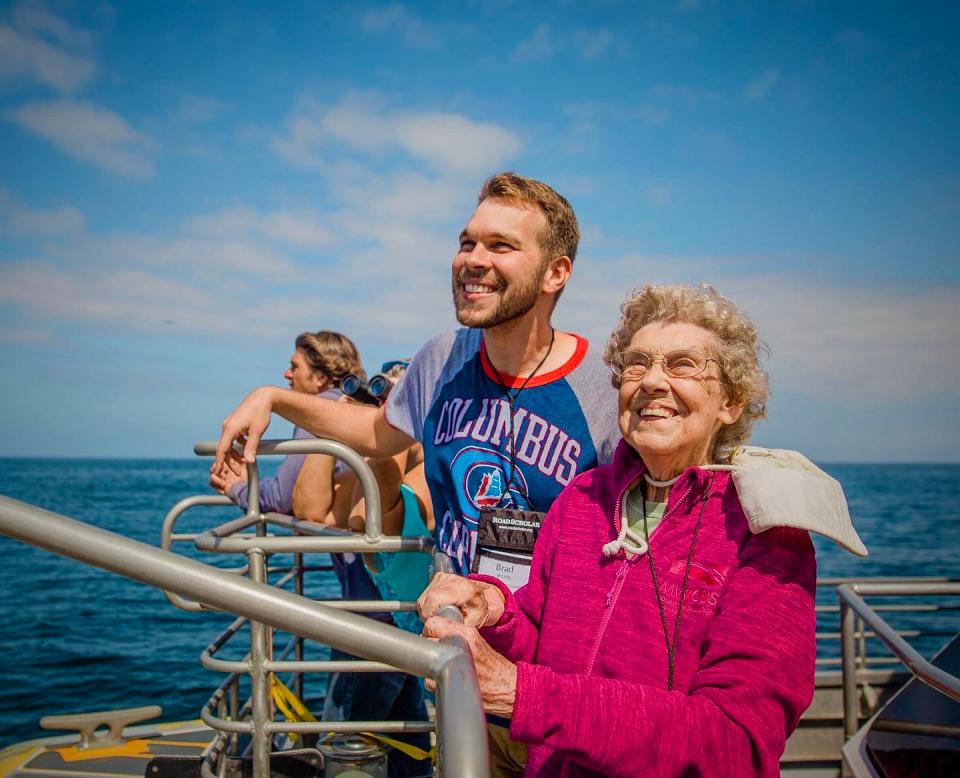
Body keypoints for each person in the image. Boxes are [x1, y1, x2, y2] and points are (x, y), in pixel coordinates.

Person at [418, 283, 866, 777]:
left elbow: (733, 742)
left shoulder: (766, 535)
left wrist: (519, 692)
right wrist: (497, 609)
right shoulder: (582, 500)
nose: (651, 381)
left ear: (731, 402)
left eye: (682, 365)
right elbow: (540, 639)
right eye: (636, 364)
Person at [214, 172, 621, 576]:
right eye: (467, 243)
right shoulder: (441, 357)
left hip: (550, 635)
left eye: (500, 246)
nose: (473, 260)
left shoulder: (604, 389)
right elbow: (377, 432)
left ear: (556, 273)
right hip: (450, 630)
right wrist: (274, 398)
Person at [209, 330, 362, 512]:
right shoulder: (359, 408)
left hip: (328, 537)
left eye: (294, 367)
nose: (286, 374)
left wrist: (238, 487)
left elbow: (282, 498)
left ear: (320, 377)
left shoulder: (317, 415)